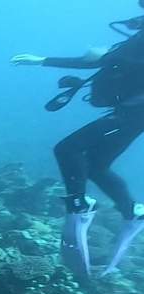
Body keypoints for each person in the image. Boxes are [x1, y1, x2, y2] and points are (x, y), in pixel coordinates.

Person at [12, 2, 144, 276]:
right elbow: (110, 62)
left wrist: (45, 61)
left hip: (133, 114)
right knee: (97, 165)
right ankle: (132, 212)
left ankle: (79, 206)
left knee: (67, 149)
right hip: (131, 112)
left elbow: (105, 61)